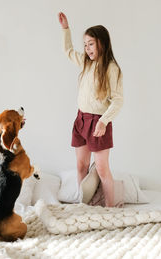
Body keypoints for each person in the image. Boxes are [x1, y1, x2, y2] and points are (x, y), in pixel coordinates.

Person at [58, 12, 123, 207]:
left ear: (102, 43)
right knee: (81, 166)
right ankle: (82, 205)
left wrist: (104, 121)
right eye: (85, 45)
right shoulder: (85, 63)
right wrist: (65, 29)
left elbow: (118, 100)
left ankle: (110, 209)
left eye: (91, 44)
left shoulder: (111, 68)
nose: (87, 49)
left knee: (102, 169)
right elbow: (68, 51)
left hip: (98, 122)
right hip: (81, 120)